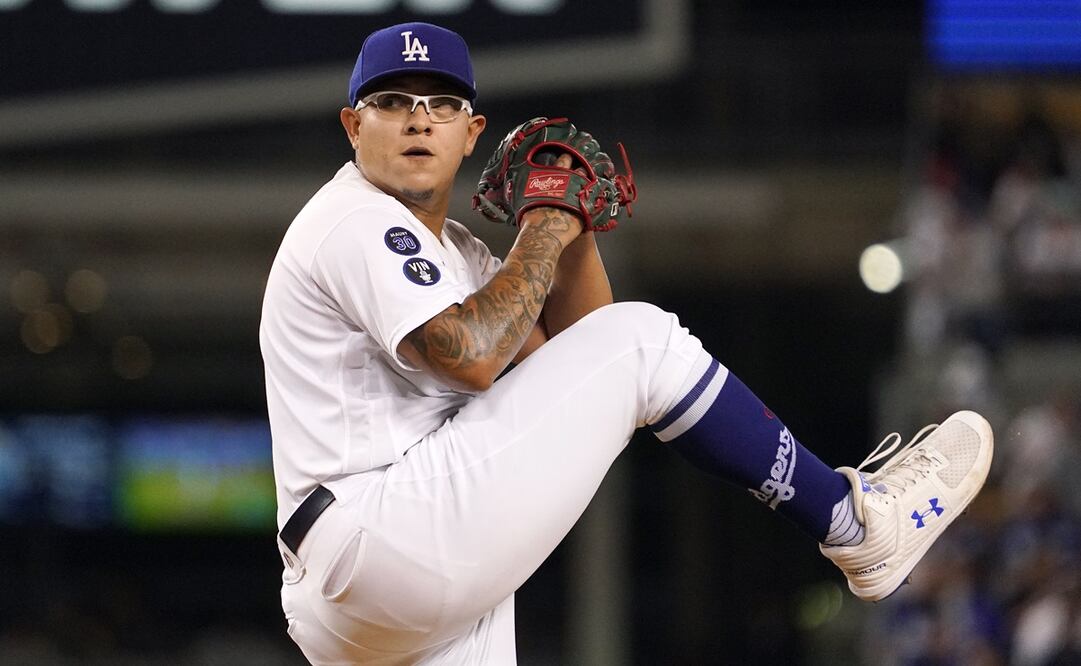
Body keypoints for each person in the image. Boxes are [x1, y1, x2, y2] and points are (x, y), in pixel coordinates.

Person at [259, 21, 994, 665]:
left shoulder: (455, 253)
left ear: (471, 132)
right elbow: (482, 355)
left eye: (440, 103)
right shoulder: (354, 220)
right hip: (377, 536)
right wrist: (545, 222)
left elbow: (574, 371)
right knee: (644, 339)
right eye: (392, 103)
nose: (418, 120)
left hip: (369, 583)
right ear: (354, 126)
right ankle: (851, 521)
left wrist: (569, 231)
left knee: (631, 348)